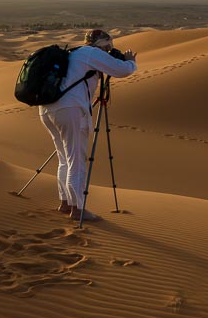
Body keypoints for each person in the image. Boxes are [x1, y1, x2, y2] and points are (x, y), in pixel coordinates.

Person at [38, 29, 137, 221]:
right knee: (76, 161)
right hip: (70, 110)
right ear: (102, 43)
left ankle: (65, 203)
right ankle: (78, 210)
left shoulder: (75, 53)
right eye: (108, 45)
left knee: (65, 159)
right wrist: (130, 60)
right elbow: (122, 70)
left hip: (48, 109)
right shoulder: (92, 53)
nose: (110, 50)